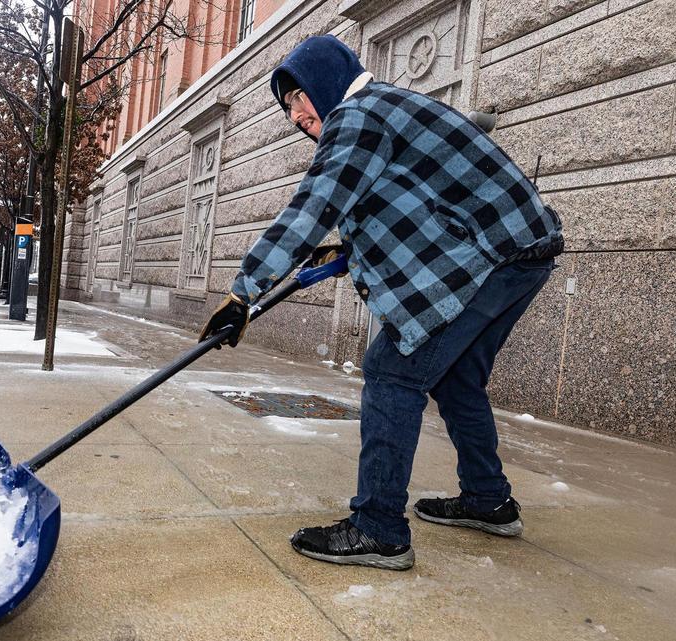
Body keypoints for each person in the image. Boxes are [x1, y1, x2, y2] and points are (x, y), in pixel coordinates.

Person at [198, 35, 563, 570]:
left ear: (326, 81)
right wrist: (346, 245)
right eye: (288, 109)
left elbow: (316, 203)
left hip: (497, 257)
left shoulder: (358, 114)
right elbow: (402, 199)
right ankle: (489, 500)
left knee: (393, 372)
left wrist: (242, 293)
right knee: (455, 377)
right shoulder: (384, 108)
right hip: (519, 254)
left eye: (299, 98)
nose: (296, 115)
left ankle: (378, 527)